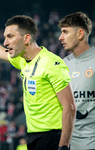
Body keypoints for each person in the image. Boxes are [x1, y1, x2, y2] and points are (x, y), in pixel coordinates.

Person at [0, 15, 77, 150]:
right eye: (5, 37)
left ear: (26, 38)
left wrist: (63, 146)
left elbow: (69, 106)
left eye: (10, 36)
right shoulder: (22, 60)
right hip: (33, 136)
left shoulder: (52, 64)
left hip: (52, 137)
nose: (5, 42)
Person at [58, 12, 94, 150]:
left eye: (65, 32)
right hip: (68, 145)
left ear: (80, 34)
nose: (60, 37)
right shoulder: (62, 64)